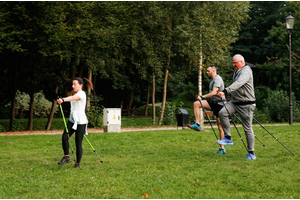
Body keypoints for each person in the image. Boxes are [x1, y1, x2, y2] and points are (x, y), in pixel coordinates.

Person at [216, 54, 256, 160]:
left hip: (246, 104)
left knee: (247, 128)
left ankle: (251, 153)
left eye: (235, 63)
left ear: (242, 62)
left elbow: (238, 83)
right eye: (233, 63)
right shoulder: (237, 71)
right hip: (235, 102)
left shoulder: (246, 71)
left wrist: (225, 91)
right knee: (222, 113)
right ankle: (228, 137)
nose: (234, 65)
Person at [187, 65, 227, 155]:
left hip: (220, 105)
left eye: (208, 71)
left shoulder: (217, 79)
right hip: (212, 103)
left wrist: (202, 97)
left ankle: (222, 148)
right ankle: (197, 124)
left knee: (220, 127)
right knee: (196, 104)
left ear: (213, 70)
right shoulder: (212, 80)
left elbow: (214, 92)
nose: (207, 72)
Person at [56, 77, 93, 168]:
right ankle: (66, 157)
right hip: (72, 121)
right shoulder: (76, 93)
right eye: (72, 84)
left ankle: (78, 163)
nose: (73, 86)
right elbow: (71, 97)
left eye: (75, 84)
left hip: (80, 122)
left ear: (80, 85)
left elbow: (73, 98)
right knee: (65, 137)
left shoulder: (82, 94)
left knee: (78, 142)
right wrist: (62, 99)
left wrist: (63, 100)